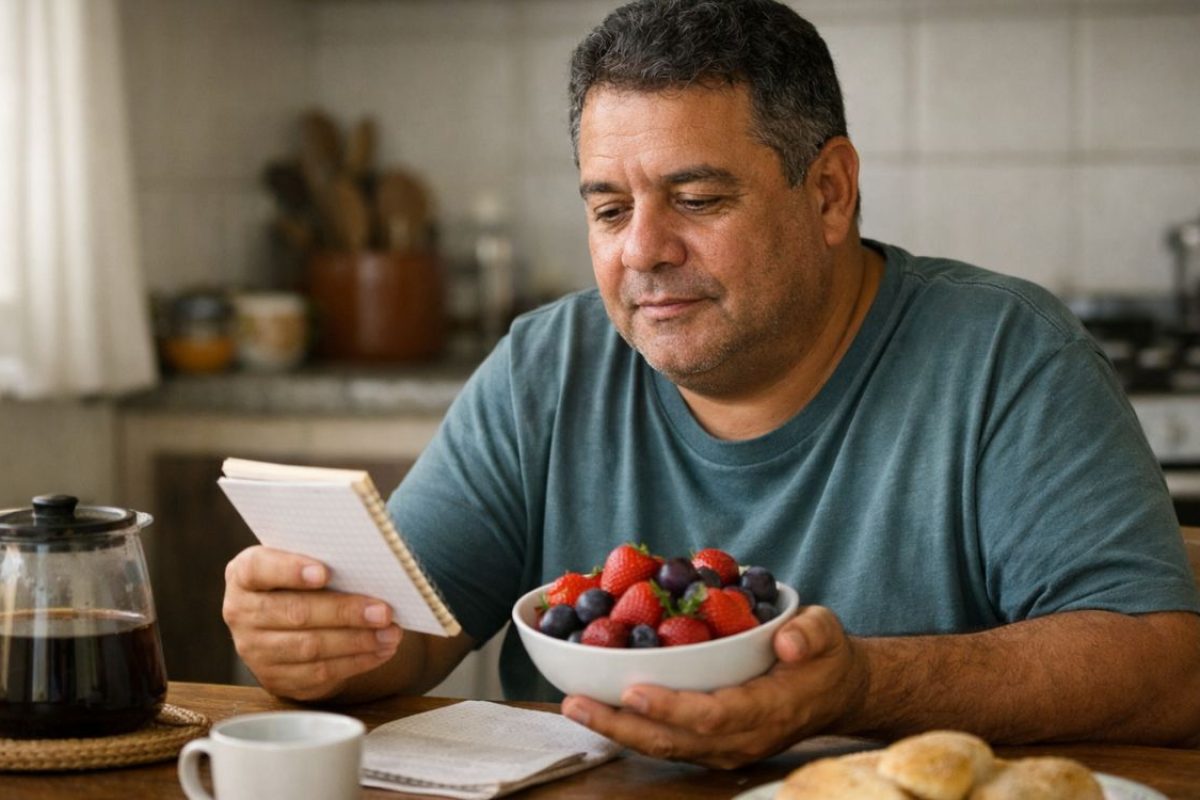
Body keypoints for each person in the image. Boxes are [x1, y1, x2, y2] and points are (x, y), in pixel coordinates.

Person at [222, 0, 1200, 768]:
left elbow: (1164, 669)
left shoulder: (1007, 356)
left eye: (696, 198)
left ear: (829, 193)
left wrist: (861, 686)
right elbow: (399, 638)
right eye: (610, 209)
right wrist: (311, 640)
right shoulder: (543, 367)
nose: (643, 250)